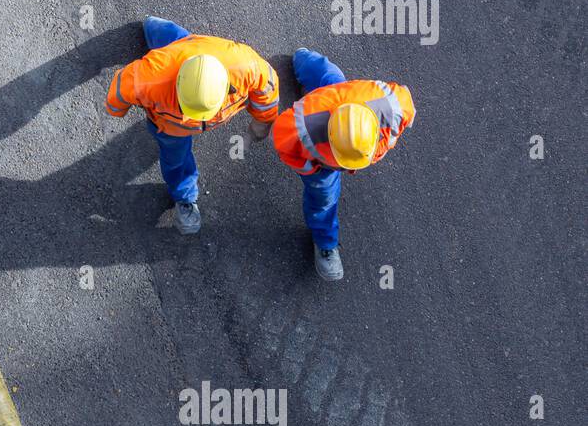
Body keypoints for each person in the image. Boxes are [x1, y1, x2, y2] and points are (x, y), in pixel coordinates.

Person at [105, 16, 279, 233]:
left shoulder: (248, 67)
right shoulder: (149, 76)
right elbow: (120, 88)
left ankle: (155, 27)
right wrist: (116, 110)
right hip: (170, 127)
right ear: (177, 82)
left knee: (179, 41)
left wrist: (263, 121)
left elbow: (268, 89)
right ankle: (184, 196)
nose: (195, 119)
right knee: (175, 157)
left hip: (189, 54)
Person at [271, 48, 416, 280]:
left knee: (329, 77)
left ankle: (304, 58)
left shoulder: (394, 106)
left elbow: (407, 108)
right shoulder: (300, 125)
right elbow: (284, 146)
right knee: (323, 198)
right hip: (331, 108)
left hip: (344, 98)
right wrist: (313, 171)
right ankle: (325, 242)